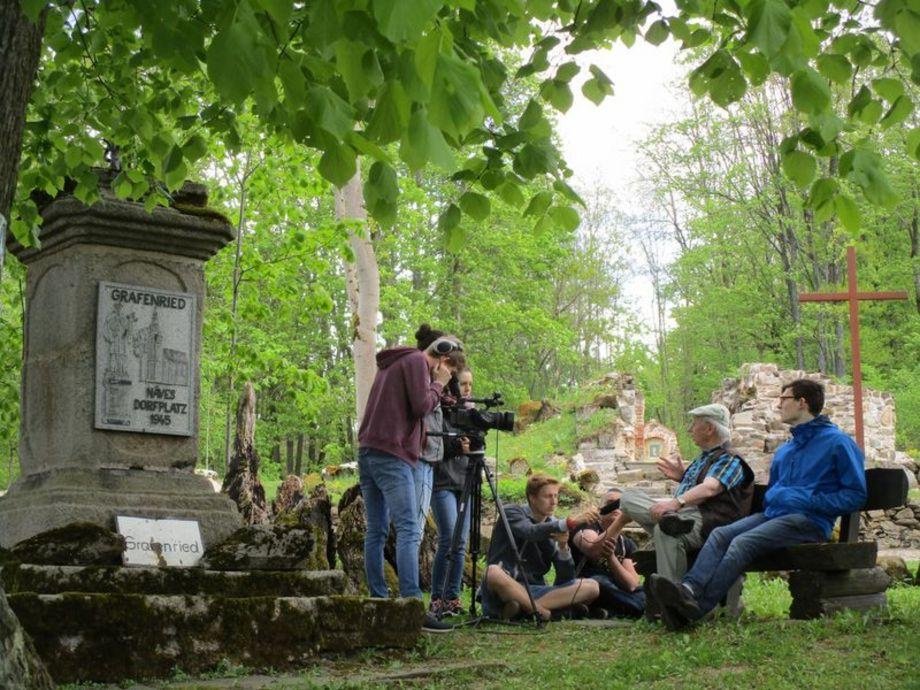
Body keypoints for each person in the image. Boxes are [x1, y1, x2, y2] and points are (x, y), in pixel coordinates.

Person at [651, 378, 867, 631]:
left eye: (783, 399)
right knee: (721, 535)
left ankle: (696, 608)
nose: (778, 405)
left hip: (809, 521)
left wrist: (805, 500)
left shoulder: (838, 443)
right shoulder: (787, 449)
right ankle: (688, 589)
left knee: (743, 543)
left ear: (802, 402)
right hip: (774, 516)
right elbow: (776, 489)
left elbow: (855, 495)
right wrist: (777, 497)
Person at [357, 326, 464, 632]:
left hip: (369, 450)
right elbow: (421, 406)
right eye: (448, 369)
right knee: (408, 528)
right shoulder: (418, 362)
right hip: (392, 455)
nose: (444, 376)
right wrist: (438, 385)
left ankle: (379, 600)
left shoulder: (396, 361)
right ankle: (412, 605)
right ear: (441, 356)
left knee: (376, 530)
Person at [603, 403, 754, 582]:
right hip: (685, 518)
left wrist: (675, 503)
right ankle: (670, 522)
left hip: (709, 524)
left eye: (694, 424)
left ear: (709, 428)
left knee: (665, 531)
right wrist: (684, 478)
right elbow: (704, 485)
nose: (690, 429)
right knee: (628, 498)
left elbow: (710, 488)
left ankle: (672, 595)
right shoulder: (705, 457)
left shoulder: (729, 459)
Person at [479, 473, 600, 621]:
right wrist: (569, 523)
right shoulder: (512, 512)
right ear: (532, 498)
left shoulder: (554, 524)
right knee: (492, 572)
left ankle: (524, 610)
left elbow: (565, 578)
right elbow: (530, 532)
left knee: (592, 586)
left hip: (533, 590)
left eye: (556, 496)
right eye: (548, 496)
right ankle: (546, 612)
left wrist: (562, 547)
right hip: (505, 588)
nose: (554, 502)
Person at [429, 367, 475, 617]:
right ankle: (437, 597)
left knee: (461, 543)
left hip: (465, 482)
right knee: (448, 538)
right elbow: (433, 445)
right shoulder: (440, 410)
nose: (467, 389)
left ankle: (452, 598)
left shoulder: (470, 414)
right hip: (443, 482)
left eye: (470, 384)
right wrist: (456, 446)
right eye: (463, 384)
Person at [569, 489, 645, 618]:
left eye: (619, 504)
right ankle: (640, 607)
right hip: (586, 586)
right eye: (611, 503)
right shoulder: (586, 527)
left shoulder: (626, 543)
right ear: (600, 508)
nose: (615, 507)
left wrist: (611, 558)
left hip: (614, 589)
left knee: (642, 590)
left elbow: (632, 584)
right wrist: (620, 521)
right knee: (600, 581)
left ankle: (606, 612)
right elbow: (592, 550)